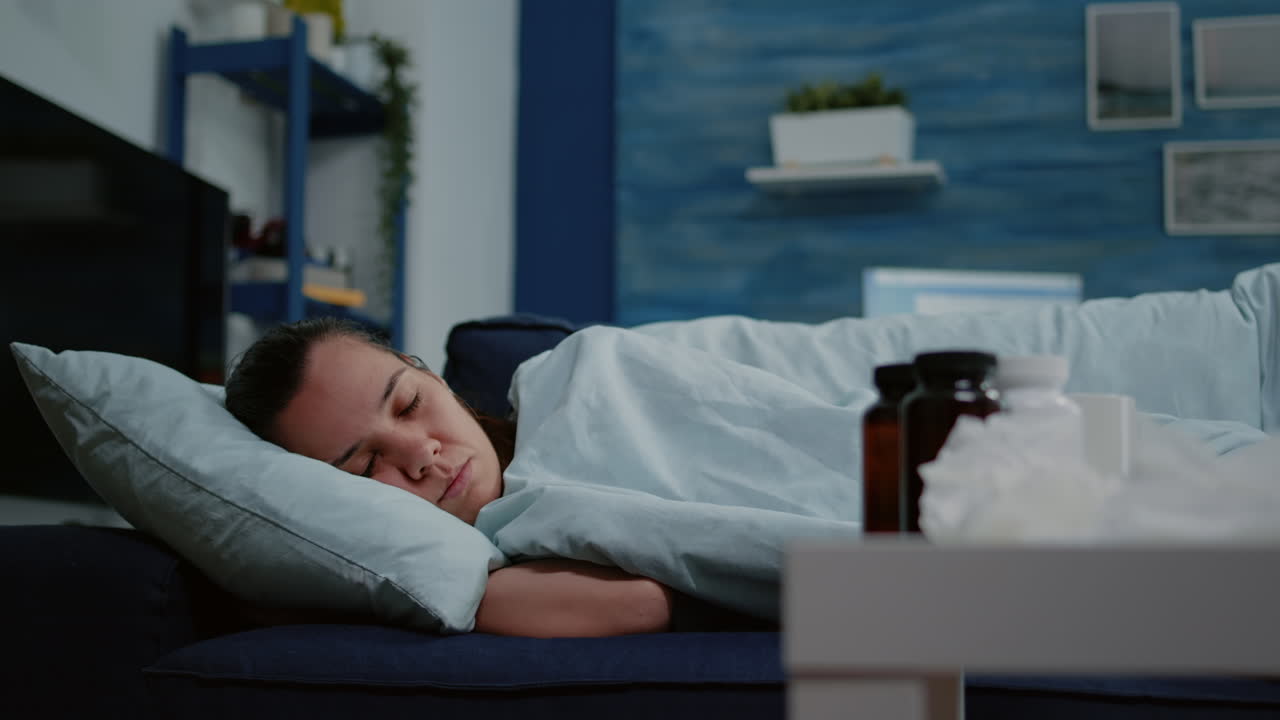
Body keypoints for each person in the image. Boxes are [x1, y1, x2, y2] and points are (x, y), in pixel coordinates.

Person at [225, 316, 674, 638]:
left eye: (408, 404)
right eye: (365, 466)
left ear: (429, 376)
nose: (421, 453)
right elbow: (642, 605)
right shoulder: (483, 565)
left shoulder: (569, 389)